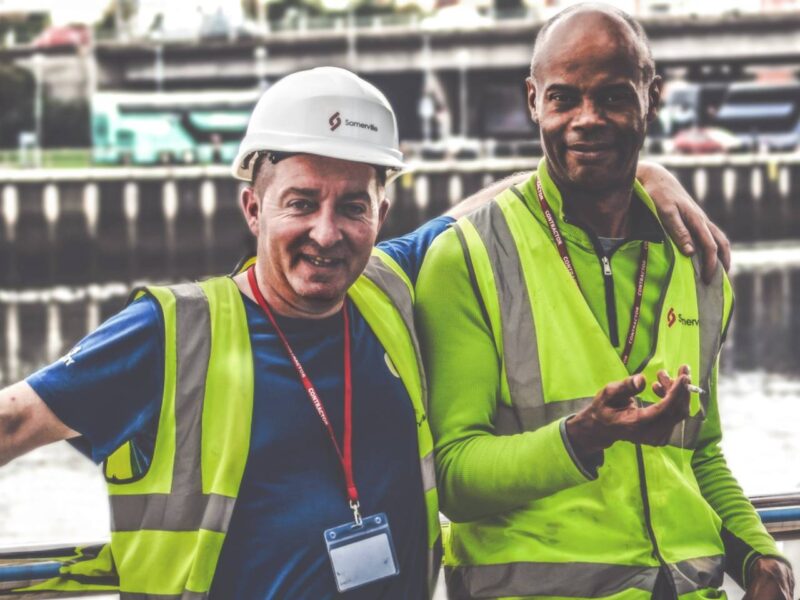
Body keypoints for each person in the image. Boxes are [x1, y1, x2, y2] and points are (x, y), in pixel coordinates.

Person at [0, 66, 726, 599]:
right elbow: (12, 421)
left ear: (383, 211)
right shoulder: (174, 332)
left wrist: (640, 175)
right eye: (301, 202)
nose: (327, 232)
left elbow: (492, 205)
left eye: (354, 205)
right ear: (253, 208)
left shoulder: (387, 287)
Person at [415, 6, 795, 600]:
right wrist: (582, 437)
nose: (587, 120)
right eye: (564, 98)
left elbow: (700, 453)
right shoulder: (466, 258)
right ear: (532, 101)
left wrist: (760, 557)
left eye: (614, 97)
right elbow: (452, 477)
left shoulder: (698, 264)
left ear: (653, 98)